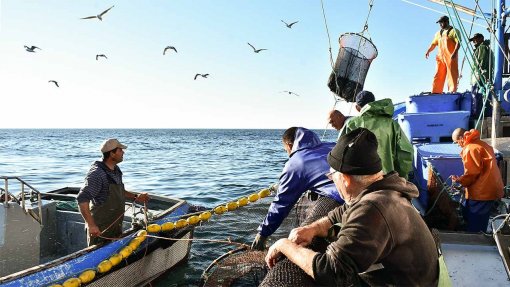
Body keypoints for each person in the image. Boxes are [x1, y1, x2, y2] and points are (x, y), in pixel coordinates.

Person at [264, 128, 439, 286]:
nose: (332, 180)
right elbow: (344, 211)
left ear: (346, 179)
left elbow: (331, 272)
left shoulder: (372, 208)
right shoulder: (386, 191)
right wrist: (314, 227)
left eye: (332, 176)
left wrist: (284, 245)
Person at [251, 127, 345, 250]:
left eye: (286, 150)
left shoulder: (296, 162)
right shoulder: (332, 145)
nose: (288, 154)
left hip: (340, 200)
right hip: (366, 193)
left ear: (290, 145)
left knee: (299, 241)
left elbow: (281, 204)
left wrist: (263, 234)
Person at [77, 139, 150, 246]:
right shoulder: (97, 174)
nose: (123, 152)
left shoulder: (116, 170)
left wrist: (136, 197)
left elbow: (119, 191)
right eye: (120, 150)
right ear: (112, 153)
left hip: (116, 226)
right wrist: (91, 225)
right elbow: (82, 199)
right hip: (100, 230)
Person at [340, 90, 413, 179]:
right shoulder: (392, 124)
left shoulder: (351, 124)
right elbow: (405, 152)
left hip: (359, 182)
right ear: (374, 103)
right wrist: (402, 176)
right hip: (388, 179)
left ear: (357, 108)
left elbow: (339, 155)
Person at [451, 128, 504, 232]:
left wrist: (460, 181)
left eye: (457, 142)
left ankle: (475, 243)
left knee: (476, 224)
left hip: (482, 193)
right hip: (491, 188)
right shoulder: (482, 144)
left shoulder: (469, 149)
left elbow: (472, 173)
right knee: (470, 213)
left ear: (461, 138)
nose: (457, 145)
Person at [425, 15, 461, 93]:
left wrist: (454, 53)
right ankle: (436, 92)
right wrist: (428, 51)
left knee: (451, 74)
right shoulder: (438, 33)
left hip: (450, 56)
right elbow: (434, 44)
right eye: (439, 23)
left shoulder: (454, 31)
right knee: (438, 74)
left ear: (447, 22)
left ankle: (452, 91)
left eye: (441, 23)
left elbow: (458, 43)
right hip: (440, 57)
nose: (440, 24)